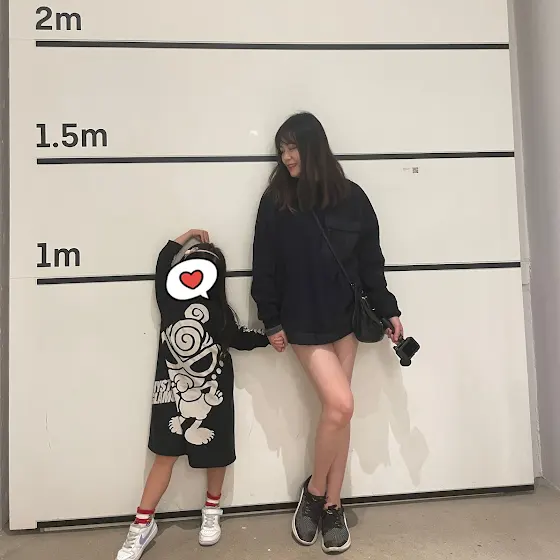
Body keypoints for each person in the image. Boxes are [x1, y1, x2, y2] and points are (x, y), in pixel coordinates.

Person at [250, 112, 403, 553]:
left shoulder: (352, 198)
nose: (286, 157)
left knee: (340, 412)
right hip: (302, 322)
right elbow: (264, 264)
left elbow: (371, 263)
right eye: (281, 150)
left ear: (313, 146)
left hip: (345, 319)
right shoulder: (277, 201)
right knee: (342, 403)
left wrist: (388, 310)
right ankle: (315, 492)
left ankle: (332, 503)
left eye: (293, 147)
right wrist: (271, 319)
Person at [115, 229, 270, 560]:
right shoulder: (169, 302)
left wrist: (269, 339)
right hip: (171, 396)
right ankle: (142, 523)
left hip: (213, 394)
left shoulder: (221, 313)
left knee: (216, 452)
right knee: (164, 454)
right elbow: (163, 264)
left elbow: (241, 339)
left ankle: (212, 510)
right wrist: (184, 237)